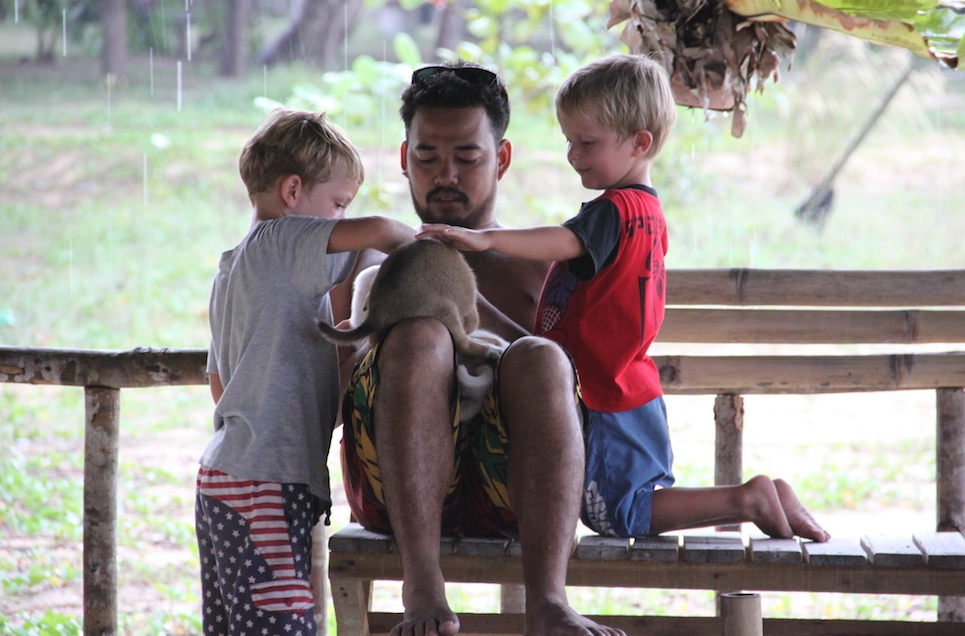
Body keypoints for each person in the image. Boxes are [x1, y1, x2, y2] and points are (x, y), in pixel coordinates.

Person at [420, 54, 830, 544]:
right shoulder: (646, 212)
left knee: (619, 513)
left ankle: (746, 499)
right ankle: (763, 497)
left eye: (587, 143)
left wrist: (487, 241)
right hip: (624, 386)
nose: (574, 156)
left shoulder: (615, 211)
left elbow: (562, 241)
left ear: (640, 143)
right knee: (625, 506)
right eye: (570, 142)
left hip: (607, 392)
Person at [336, 64, 625, 636]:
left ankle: (548, 601)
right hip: (392, 491)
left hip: (517, 495)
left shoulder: (543, 266)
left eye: (468, 157)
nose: (446, 175)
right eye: (427, 157)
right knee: (420, 336)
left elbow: (582, 391)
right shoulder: (366, 260)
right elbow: (341, 400)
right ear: (402, 158)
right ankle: (421, 583)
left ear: (503, 158)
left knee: (542, 356)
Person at [197, 108, 416, 636]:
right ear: (292, 191)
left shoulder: (234, 268)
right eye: (338, 204)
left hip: (226, 475)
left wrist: (329, 375)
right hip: (266, 481)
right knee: (283, 623)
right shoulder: (284, 240)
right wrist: (439, 254)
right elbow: (383, 231)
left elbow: (220, 384)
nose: (342, 218)